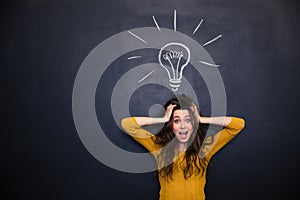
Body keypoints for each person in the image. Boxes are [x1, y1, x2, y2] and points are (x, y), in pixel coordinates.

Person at [121, 94, 245, 200]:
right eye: (176, 121)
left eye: (188, 120)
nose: (183, 126)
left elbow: (238, 125)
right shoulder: (159, 148)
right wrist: (163, 118)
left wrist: (201, 119)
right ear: (171, 126)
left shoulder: (205, 148)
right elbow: (127, 125)